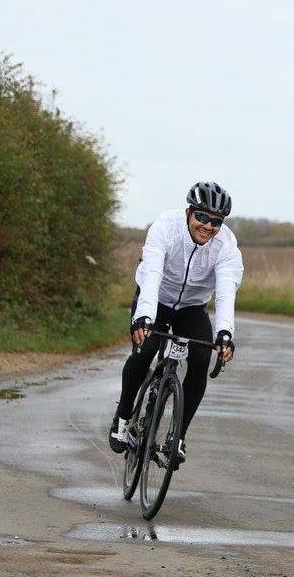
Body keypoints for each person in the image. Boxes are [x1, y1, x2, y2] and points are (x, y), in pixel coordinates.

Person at [108, 182, 244, 465]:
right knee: (144, 352)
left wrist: (225, 334)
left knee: (199, 360)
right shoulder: (165, 227)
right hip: (156, 298)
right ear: (188, 213)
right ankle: (123, 416)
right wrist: (143, 317)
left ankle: (177, 437)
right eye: (202, 217)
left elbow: (226, 292)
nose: (208, 226)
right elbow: (152, 273)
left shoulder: (227, 247)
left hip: (191, 306)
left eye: (216, 221)